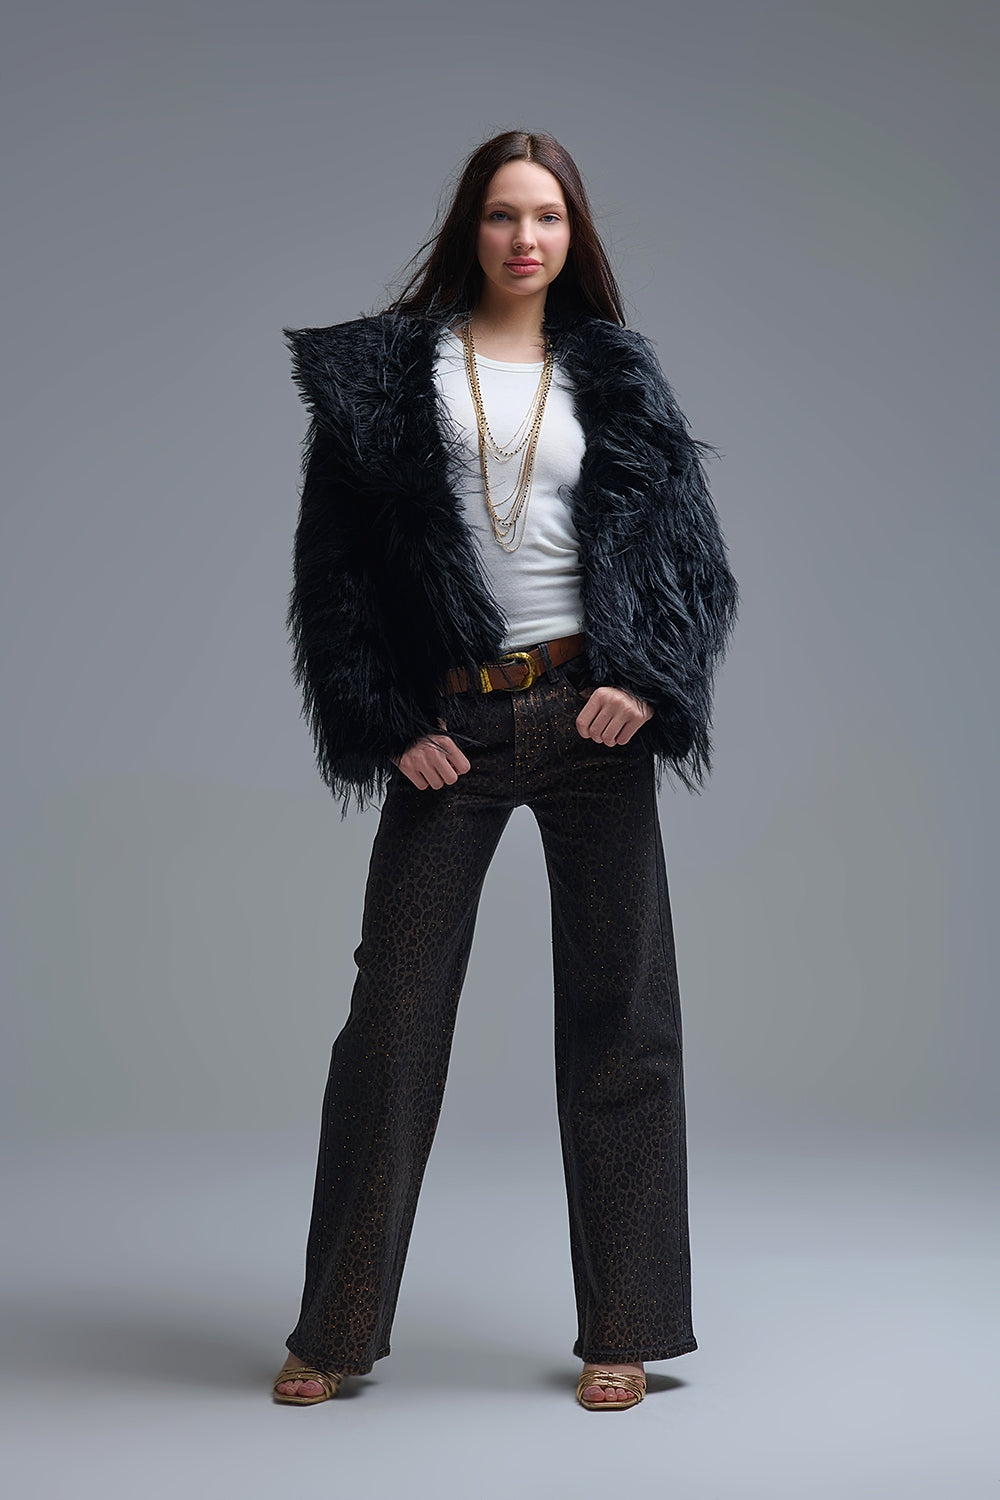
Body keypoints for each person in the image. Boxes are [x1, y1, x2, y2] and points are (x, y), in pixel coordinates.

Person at [272, 129, 738, 1412]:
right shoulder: (387, 378)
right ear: (467, 229)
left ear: (572, 235)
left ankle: (625, 1329)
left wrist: (648, 681)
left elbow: (687, 556)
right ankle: (334, 1330)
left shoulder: (617, 376)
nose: (524, 238)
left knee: (624, 1020)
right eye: (500, 214)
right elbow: (333, 575)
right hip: (454, 733)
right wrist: (382, 723)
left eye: (546, 217)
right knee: (392, 1023)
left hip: (592, 724)